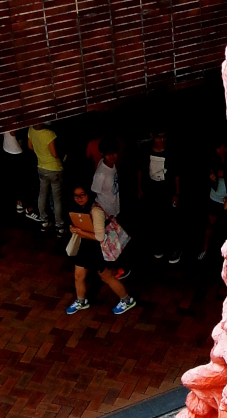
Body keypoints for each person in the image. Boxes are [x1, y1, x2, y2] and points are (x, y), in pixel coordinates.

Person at [65, 185, 136, 316]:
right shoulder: (78, 208)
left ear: (88, 195)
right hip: (85, 247)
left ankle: (127, 300)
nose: (79, 198)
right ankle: (81, 301)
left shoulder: (95, 211)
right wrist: (74, 230)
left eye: (82, 195)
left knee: (106, 277)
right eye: (76, 196)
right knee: (78, 276)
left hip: (97, 250)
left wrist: (80, 232)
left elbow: (99, 237)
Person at [139, 129, 181, 264]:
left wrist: (176, 193)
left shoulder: (170, 152)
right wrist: (140, 188)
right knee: (155, 220)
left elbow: (176, 175)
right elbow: (140, 170)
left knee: (170, 220)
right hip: (151, 191)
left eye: (163, 137)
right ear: (152, 136)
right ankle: (159, 246)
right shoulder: (146, 150)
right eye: (159, 137)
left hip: (167, 191)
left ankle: (173, 248)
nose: (161, 140)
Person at [28, 121, 65, 234]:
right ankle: (60, 226)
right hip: (54, 168)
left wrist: (41, 154)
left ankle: (44, 220)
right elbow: (54, 154)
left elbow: (30, 146)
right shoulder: (49, 134)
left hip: (41, 167)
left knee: (42, 194)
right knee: (57, 198)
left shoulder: (31, 129)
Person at [201, 142, 227, 261]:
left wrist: (225, 174)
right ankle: (205, 249)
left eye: (223, 146)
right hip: (214, 198)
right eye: (218, 147)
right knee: (210, 225)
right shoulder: (211, 160)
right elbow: (204, 173)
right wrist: (211, 175)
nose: (221, 149)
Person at [2, 129, 36, 221]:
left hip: (8, 147)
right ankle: (29, 208)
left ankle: (20, 204)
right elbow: (13, 132)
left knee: (15, 179)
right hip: (17, 150)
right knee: (23, 180)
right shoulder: (12, 119)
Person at [91, 138, 121, 219]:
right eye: (108, 154)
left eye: (114, 153)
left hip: (114, 207)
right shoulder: (101, 174)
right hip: (106, 213)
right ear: (102, 154)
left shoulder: (111, 164)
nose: (112, 156)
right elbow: (94, 191)